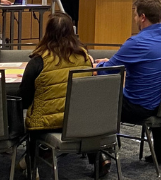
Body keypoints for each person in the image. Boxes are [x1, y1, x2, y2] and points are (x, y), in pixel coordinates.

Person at [93, 0, 161, 164]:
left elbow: (107, 70)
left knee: (97, 99)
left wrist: (101, 63)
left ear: (142, 17)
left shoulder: (137, 43)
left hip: (140, 107)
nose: (134, 19)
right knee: (156, 82)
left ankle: (101, 155)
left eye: (135, 15)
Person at [19, 13, 100, 171]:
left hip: (46, 125)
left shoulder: (38, 61)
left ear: (47, 33)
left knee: (28, 119)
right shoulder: (85, 58)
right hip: (78, 122)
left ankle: (32, 161)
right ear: (72, 32)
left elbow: (25, 98)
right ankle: (96, 157)